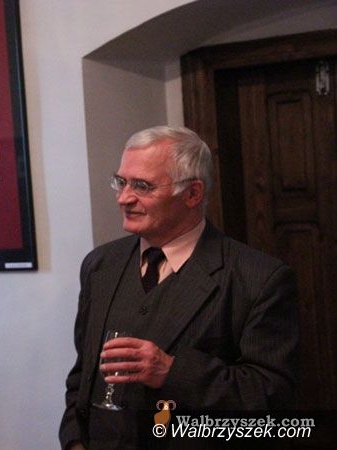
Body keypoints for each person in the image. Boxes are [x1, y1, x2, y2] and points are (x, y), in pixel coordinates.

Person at [59, 126, 299, 449]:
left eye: (142, 186)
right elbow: (82, 376)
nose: (123, 198)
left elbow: (272, 396)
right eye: (121, 181)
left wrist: (171, 372)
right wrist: (74, 441)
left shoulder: (259, 278)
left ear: (192, 194)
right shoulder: (99, 266)